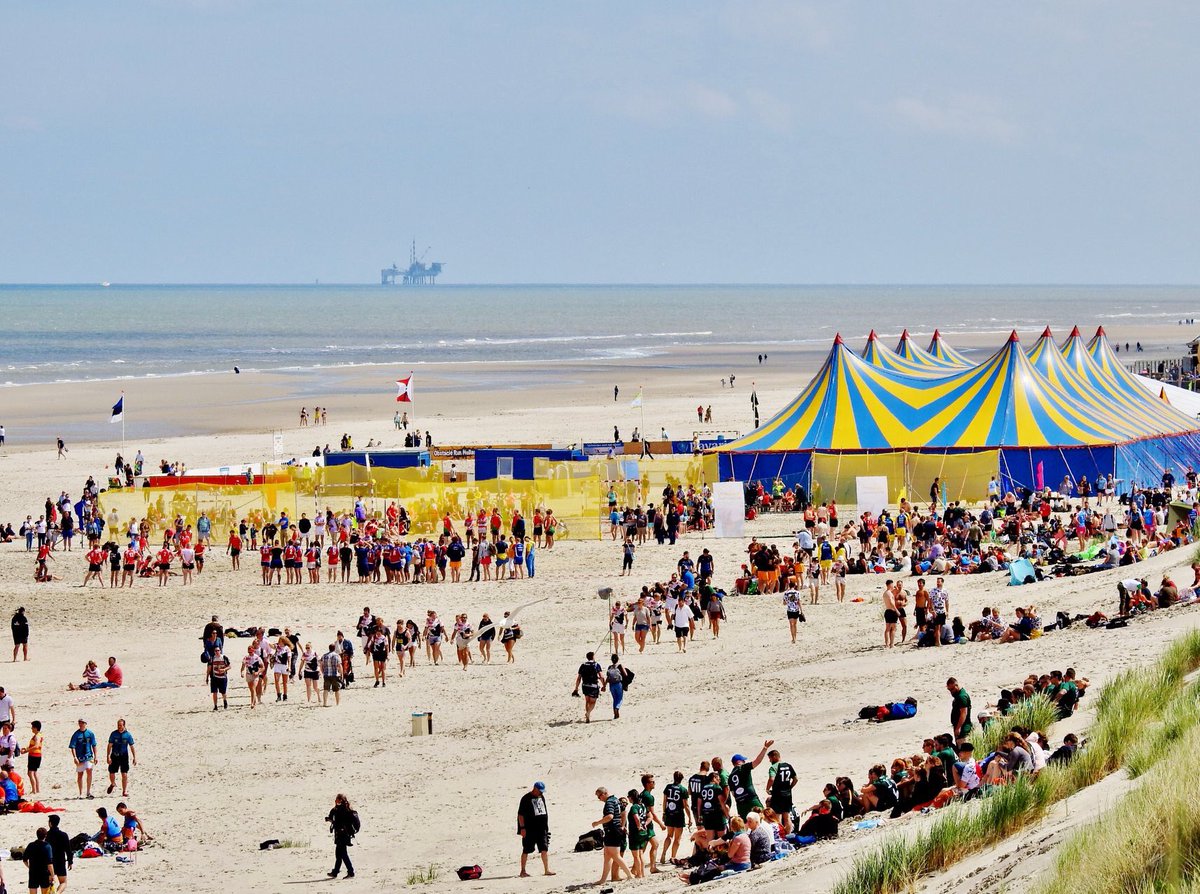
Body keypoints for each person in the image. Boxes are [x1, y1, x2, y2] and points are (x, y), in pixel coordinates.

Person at [591, 787, 632, 885]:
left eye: (599, 796)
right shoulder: (616, 800)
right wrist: (622, 825)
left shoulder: (609, 802)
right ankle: (603, 879)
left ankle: (630, 875)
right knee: (607, 855)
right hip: (614, 830)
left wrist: (597, 823)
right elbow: (624, 812)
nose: (599, 799)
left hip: (612, 831)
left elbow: (610, 816)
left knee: (615, 855)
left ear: (604, 794)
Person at [517, 781, 554, 877]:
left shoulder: (541, 796)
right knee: (526, 849)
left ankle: (546, 870)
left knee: (544, 848)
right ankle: (523, 871)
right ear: (535, 788)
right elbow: (520, 815)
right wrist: (522, 828)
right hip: (530, 829)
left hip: (542, 828)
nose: (541, 793)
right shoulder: (526, 799)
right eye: (540, 791)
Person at [727, 740, 772, 819]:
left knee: (746, 823)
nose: (744, 761)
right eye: (743, 760)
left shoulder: (730, 776)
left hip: (740, 803)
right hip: (751, 799)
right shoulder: (743, 767)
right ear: (739, 761)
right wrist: (765, 748)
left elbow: (733, 793)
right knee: (763, 817)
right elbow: (757, 761)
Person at [326, 793, 360, 879]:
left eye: (337, 800)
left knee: (343, 854)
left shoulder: (344, 810)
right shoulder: (338, 809)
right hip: (340, 835)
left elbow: (340, 823)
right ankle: (335, 872)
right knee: (339, 854)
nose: (336, 801)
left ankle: (351, 872)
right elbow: (335, 819)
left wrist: (332, 821)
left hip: (343, 835)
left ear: (341, 800)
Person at [106, 718, 136, 797]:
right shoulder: (113, 734)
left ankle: (124, 791)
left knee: (124, 774)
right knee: (111, 772)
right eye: (118, 725)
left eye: (120, 725)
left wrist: (134, 757)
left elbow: (131, 746)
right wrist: (108, 756)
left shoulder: (128, 735)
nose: (119, 727)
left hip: (124, 756)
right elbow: (109, 745)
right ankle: (112, 784)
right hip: (114, 755)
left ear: (124, 725)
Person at [68, 718, 97, 799]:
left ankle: (88, 792)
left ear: (85, 723)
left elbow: (94, 745)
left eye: (82, 723)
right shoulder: (76, 734)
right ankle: (80, 793)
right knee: (80, 774)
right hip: (80, 757)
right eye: (79, 723)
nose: (81, 724)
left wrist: (96, 756)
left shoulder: (90, 733)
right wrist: (75, 757)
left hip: (88, 756)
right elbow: (72, 747)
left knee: (89, 770)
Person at [572, 651, 603, 723]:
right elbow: (601, 676)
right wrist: (604, 685)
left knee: (587, 701)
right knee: (593, 702)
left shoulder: (583, 665)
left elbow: (579, 678)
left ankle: (587, 717)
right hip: (593, 686)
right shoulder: (596, 665)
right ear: (593, 657)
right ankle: (588, 713)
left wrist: (576, 688)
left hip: (585, 686)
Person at [46, 815, 71, 892]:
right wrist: (70, 861)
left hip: (49, 862)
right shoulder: (63, 835)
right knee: (63, 882)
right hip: (60, 860)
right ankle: (58, 892)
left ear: (50, 823)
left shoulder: (46, 835)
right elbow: (68, 849)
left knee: (49, 883)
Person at [24, 827, 53, 894]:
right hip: (44, 873)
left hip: (33, 873)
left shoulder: (31, 845)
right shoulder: (47, 846)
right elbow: (50, 864)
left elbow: (24, 860)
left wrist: (29, 867)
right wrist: (52, 875)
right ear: (46, 835)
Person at [947, 677, 973, 744]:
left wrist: (958, 728)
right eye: (949, 689)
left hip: (963, 729)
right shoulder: (958, 696)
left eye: (952, 689)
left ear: (956, 685)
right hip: (960, 727)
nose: (951, 691)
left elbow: (963, 713)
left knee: (963, 749)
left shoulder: (961, 697)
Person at [605, 653, 627, 720]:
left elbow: (607, 677)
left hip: (611, 685)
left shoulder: (609, 667)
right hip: (618, 684)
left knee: (615, 699)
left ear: (611, 660)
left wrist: (604, 685)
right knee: (620, 698)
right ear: (618, 659)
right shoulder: (620, 666)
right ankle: (617, 708)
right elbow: (625, 674)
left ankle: (615, 715)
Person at [26, 720, 42, 796]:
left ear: (35, 728)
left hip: (34, 755)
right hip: (36, 755)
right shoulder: (38, 735)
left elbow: (36, 746)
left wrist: (27, 750)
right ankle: (37, 789)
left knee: (30, 773)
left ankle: (34, 790)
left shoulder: (37, 736)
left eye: (32, 727)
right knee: (34, 772)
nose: (31, 728)